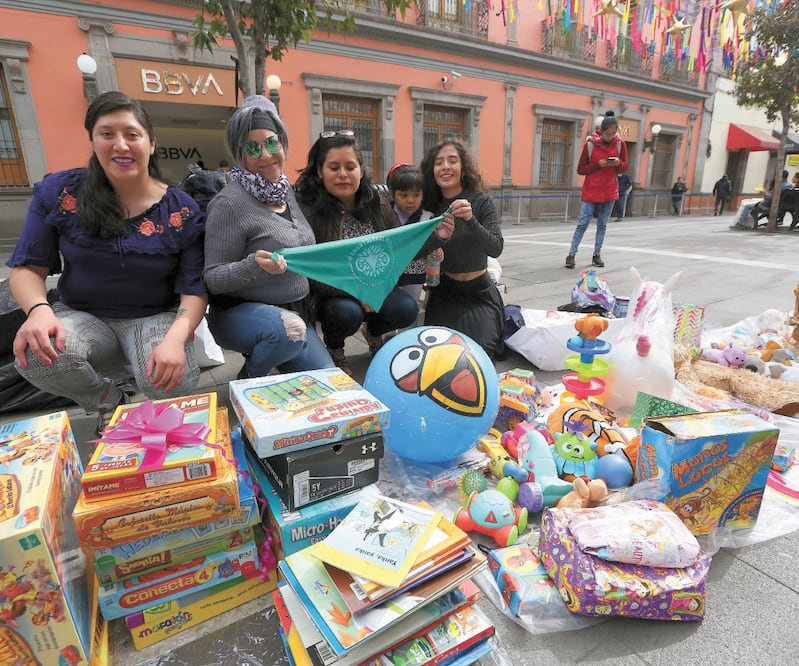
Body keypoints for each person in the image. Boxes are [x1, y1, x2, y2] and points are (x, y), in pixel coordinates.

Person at [6, 91, 207, 428]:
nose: (121, 145)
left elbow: (194, 289)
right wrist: (38, 311)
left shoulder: (181, 209)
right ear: (93, 140)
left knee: (174, 379)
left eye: (132, 134)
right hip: (83, 317)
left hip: (154, 317)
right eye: (107, 134)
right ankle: (108, 400)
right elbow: (28, 267)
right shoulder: (61, 193)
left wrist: (176, 337)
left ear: (151, 143)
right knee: (34, 353)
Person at [203, 95, 333, 380]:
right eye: (253, 147)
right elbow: (212, 277)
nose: (266, 154)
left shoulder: (286, 191)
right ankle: (251, 376)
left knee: (329, 380)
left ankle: (278, 353)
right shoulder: (228, 204)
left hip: (296, 314)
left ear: (283, 144)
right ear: (240, 153)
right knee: (288, 332)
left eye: (272, 142)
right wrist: (253, 266)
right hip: (240, 315)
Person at [295, 131, 439, 374]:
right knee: (346, 312)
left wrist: (438, 238)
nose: (343, 173)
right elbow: (310, 272)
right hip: (332, 293)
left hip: (376, 286)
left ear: (360, 170)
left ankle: (373, 331)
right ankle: (335, 347)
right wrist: (359, 291)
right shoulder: (308, 210)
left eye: (350, 166)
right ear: (320, 172)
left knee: (406, 308)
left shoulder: (377, 202)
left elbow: (401, 247)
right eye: (334, 167)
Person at [420, 137, 504, 360]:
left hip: (479, 293)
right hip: (444, 293)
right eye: (439, 162)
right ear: (432, 170)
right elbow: (420, 254)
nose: (445, 166)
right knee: (437, 358)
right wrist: (439, 239)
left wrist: (471, 220)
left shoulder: (481, 201)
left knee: (478, 358)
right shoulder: (429, 208)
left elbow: (495, 248)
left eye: (452, 161)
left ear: (463, 168)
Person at [565, 112, 628, 269]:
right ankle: (571, 253)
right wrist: (597, 165)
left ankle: (597, 254)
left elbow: (625, 166)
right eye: (607, 133)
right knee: (583, 222)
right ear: (601, 130)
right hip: (592, 189)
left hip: (610, 190)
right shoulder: (591, 144)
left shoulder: (620, 144)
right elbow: (581, 169)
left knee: (602, 224)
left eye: (613, 133)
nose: (610, 136)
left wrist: (618, 163)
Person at [386, 162, 439, 304]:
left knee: (409, 312)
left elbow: (433, 257)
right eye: (403, 195)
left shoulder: (427, 219)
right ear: (392, 193)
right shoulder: (383, 214)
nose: (410, 200)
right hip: (386, 277)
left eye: (416, 195)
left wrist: (430, 289)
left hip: (415, 277)